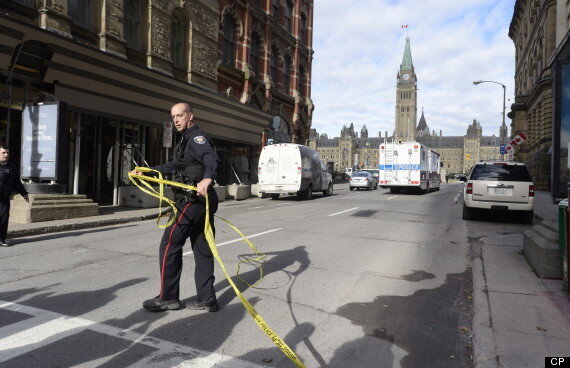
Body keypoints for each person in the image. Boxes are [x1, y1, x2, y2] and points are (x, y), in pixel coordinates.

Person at [131, 102, 219, 312]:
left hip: (193, 201)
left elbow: (211, 158)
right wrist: (148, 171)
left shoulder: (197, 139)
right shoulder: (185, 141)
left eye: (180, 115)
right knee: (202, 249)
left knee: (169, 244)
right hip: (200, 202)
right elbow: (173, 167)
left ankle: (168, 297)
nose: (176, 120)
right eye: (173, 117)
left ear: (190, 116)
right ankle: (207, 299)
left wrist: (207, 178)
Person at [0, 146, 29, 247]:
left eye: (7, 153)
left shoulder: (11, 166)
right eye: (3, 153)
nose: (6, 155)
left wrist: (24, 193)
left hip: (4, 198)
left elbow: (16, 182)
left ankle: (1, 239)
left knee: (3, 219)